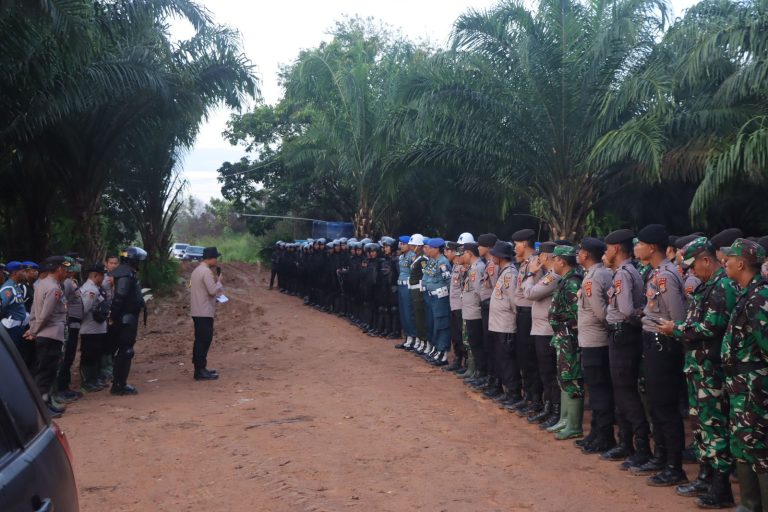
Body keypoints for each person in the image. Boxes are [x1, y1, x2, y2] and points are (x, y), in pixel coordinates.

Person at [657, 237, 736, 507]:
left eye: (692, 266)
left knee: (714, 426)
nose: (690, 272)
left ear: (706, 259)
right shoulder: (706, 287)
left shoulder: (721, 286)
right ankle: (705, 476)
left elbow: (712, 327)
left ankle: (720, 487)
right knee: (701, 426)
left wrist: (675, 329)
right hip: (698, 367)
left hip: (712, 369)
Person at [634, 224, 688, 486]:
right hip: (652, 343)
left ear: (651, 247)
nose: (636, 248)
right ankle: (661, 456)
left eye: (640, 243)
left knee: (665, 407)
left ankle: (674, 466)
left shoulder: (666, 276)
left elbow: (677, 318)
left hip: (663, 345)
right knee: (655, 404)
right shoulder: (656, 273)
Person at [720, 238, 768, 511]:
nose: (724, 261)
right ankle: (749, 505)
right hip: (741, 384)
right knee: (742, 444)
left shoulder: (760, 297)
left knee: (759, 447)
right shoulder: (745, 294)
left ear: (742, 263)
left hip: (754, 385)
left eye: (730, 258)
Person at [575, 237, 615, 454]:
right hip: (593, 341)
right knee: (597, 391)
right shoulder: (598, 274)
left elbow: (602, 314)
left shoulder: (593, 278)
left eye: (580, 251)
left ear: (586, 254)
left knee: (599, 392)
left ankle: (604, 436)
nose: (578, 254)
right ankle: (596, 433)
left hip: (596, 342)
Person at [24, 256, 71, 416]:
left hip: (45, 334)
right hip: (50, 335)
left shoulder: (42, 284)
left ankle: (46, 403)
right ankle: (41, 409)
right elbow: (44, 315)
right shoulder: (53, 288)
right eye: (64, 269)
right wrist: (34, 331)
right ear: (58, 269)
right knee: (45, 373)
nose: (66, 272)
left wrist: (32, 328)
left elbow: (34, 312)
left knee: (45, 371)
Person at [547, 245, 585, 441]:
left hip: (570, 338)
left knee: (572, 379)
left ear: (562, 261)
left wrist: (562, 322)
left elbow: (577, 314)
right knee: (564, 377)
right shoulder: (566, 280)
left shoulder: (572, 282)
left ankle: (574, 425)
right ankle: (565, 419)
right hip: (562, 336)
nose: (552, 262)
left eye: (554, 259)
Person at [521, 242, 559, 422]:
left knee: (549, 373)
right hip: (541, 328)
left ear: (545, 257)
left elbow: (529, 293)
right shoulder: (548, 275)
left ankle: (555, 410)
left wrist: (531, 273)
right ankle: (549, 407)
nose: (537, 259)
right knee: (545, 372)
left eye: (540, 256)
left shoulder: (553, 277)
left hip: (547, 330)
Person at [487, 240, 521, 407]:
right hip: (498, 324)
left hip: (505, 324)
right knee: (501, 359)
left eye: (495, 254)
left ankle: (513, 393)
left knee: (507, 361)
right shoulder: (504, 272)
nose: (492, 256)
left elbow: (514, 300)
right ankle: (508, 391)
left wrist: (514, 321)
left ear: (500, 257)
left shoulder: (510, 274)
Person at [511, 229, 541, 413]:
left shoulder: (535, 263)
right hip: (522, 313)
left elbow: (533, 291)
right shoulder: (525, 264)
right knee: (523, 356)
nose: (515, 248)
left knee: (530, 357)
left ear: (524, 244)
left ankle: (536, 399)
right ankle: (529, 396)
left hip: (530, 313)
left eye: (516, 244)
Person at [110, 247, 147, 395]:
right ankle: (119, 384)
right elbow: (119, 297)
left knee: (126, 350)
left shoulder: (128, 272)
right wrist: (113, 316)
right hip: (126, 318)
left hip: (128, 316)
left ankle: (120, 382)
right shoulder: (126, 274)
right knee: (126, 351)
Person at [190, 247, 224, 381]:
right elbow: (212, 291)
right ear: (211, 258)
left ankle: (201, 368)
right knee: (204, 340)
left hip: (197, 310)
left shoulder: (196, 271)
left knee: (200, 340)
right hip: (204, 311)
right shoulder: (206, 272)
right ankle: (199, 370)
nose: (217, 260)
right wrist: (219, 282)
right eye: (216, 258)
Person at [56, 257, 84, 403]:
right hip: (69, 323)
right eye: (76, 263)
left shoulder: (72, 281)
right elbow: (62, 302)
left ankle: (65, 387)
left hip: (74, 324)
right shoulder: (66, 283)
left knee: (70, 355)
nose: (79, 266)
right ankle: (61, 388)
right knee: (66, 356)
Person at [79, 263, 110, 393]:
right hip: (90, 329)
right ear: (95, 275)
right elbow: (84, 310)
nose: (104, 278)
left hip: (97, 329)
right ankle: (87, 381)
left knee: (96, 355)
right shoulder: (90, 290)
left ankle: (94, 378)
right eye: (102, 275)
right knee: (89, 356)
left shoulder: (95, 288)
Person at [421, 238, 452, 365]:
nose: (429, 249)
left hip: (441, 298)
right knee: (434, 324)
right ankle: (437, 349)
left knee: (441, 324)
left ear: (437, 249)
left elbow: (448, 282)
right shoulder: (433, 261)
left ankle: (443, 352)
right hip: (432, 297)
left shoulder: (443, 263)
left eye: (432, 248)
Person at [1, 261, 31, 360]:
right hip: (11, 329)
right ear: (14, 273)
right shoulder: (8, 288)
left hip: (18, 328)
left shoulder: (16, 286)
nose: (25, 273)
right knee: (10, 358)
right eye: (23, 271)